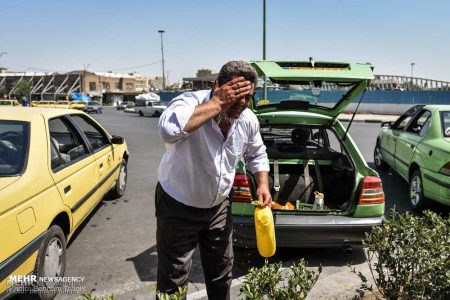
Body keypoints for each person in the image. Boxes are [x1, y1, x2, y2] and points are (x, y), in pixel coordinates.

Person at [156, 61, 271, 299]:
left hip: (219, 207)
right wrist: (218, 103)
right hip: (178, 206)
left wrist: (262, 184)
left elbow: (256, 153)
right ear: (217, 85)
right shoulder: (190, 102)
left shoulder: (247, 118)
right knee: (173, 279)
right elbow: (168, 130)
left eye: (247, 97)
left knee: (221, 272)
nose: (241, 103)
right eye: (235, 95)